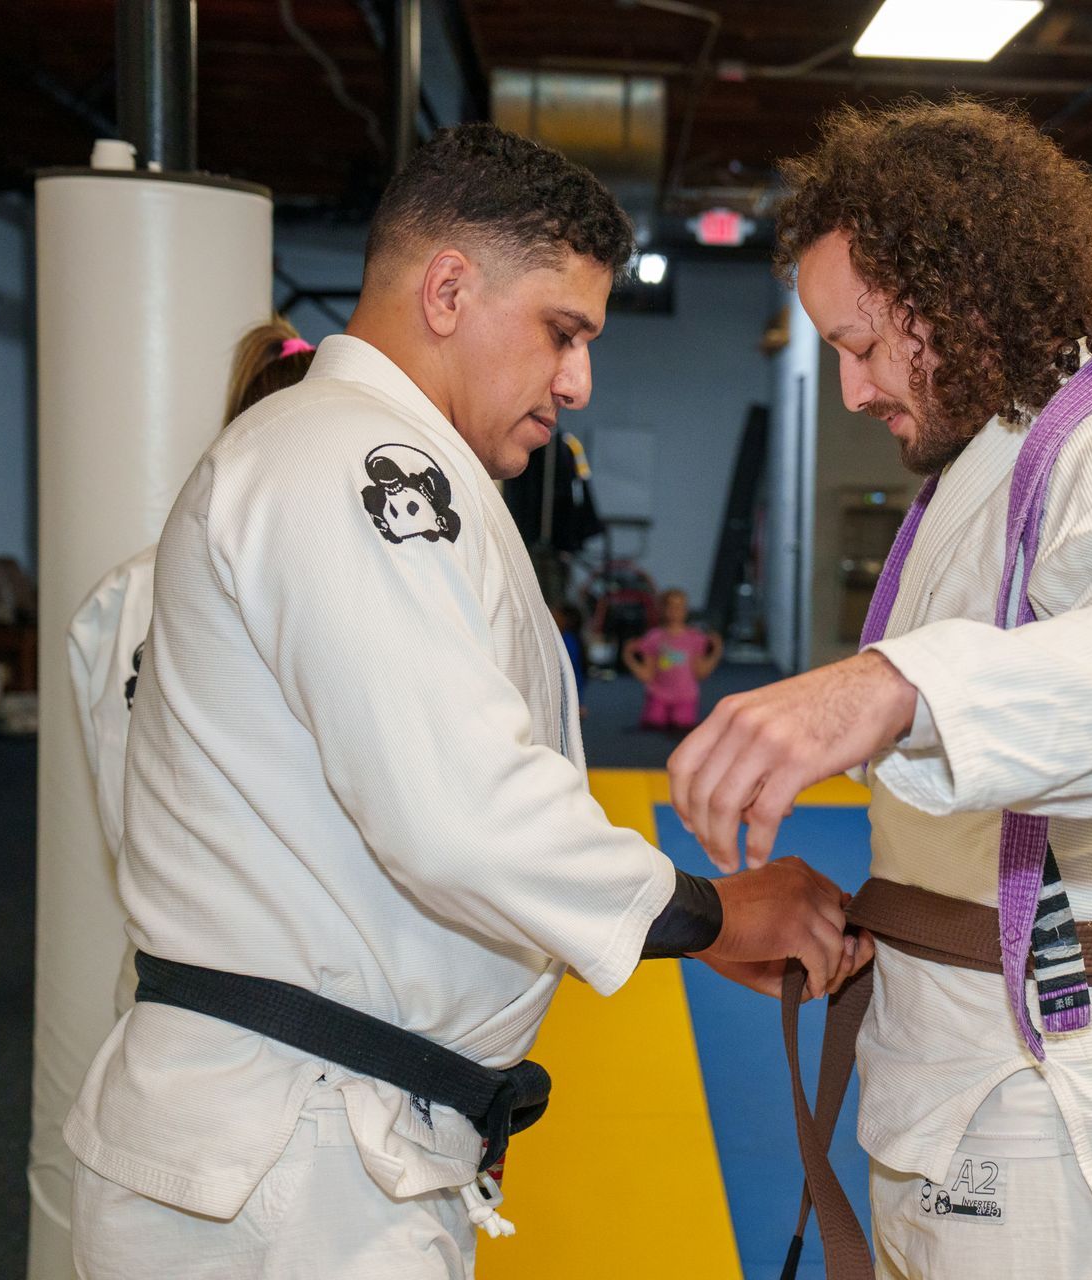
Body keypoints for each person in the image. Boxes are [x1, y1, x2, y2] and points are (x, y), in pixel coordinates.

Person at [65, 122, 865, 1279]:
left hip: (324, 1149)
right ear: (449, 289)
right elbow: (457, 809)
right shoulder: (350, 461)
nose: (578, 380)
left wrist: (679, 928)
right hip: (287, 1171)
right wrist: (714, 912)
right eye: (563, 331)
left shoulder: (361, 464)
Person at [668, 100, 1092, 1278]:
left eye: (859, 345)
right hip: (947, 1062)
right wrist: (862, 905)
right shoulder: (992, 457)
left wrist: (890, 685)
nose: (851, 391)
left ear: (957, 296)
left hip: (1051, 1102)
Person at [66, 317, 316, 1015]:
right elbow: (127, 786)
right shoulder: (135, 593)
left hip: (248, 966)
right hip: (209, 965)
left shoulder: (319, 583)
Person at [624, 587, 722, 731]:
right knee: (654, 722)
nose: (675, 611)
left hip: (685, 696)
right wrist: (628, 656)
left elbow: (700, 672)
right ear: (662, 609)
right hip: (659, 694)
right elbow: (647, 674)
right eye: (670, 606)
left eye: (679, 606)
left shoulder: (695, 638)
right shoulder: (653, 638)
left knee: (682, 723)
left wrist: (716, 651)